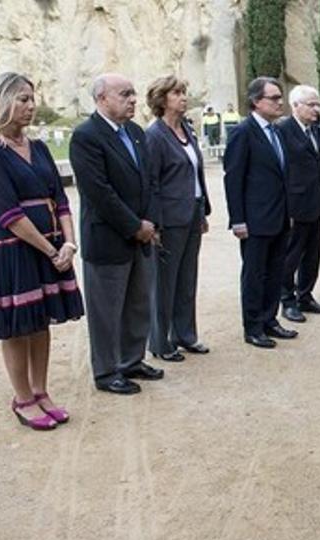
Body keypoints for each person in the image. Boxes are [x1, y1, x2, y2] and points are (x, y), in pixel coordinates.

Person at [0, 72, 84, 429]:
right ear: (1, 101)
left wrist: (68, 242)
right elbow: (8, 213)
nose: (30, 106)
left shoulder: (40, 147)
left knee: (40, 322)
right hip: (13, 249)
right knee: (17, 326)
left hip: (50, 245)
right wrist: (51, 250)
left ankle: (41, 391)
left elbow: (61, 199)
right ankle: (22, 398)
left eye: (32, 98)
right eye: (21, 99)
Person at [70, 72, 162, 394]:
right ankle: (108, 371)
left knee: (138, 303)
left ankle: (132, 360)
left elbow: (150, 181)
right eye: (125, 94)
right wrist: (135, 226)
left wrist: (149, 223)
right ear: (101, 99)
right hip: (109, 238)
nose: (133, 100)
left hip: (142, 235)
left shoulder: (136, 133)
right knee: (107, 310)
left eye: (133, 94)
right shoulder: (86, 136)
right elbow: (99, 192)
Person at [223, 76, 296, 349]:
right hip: (254, 220)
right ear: (256, 101)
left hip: (278, 217)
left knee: (275, 271)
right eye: (274, 98)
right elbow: (233, 179)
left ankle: (269, 319)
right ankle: (253, 326)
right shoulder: (243, 132)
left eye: (280, 97)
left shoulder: (277, 131)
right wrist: (238, 219)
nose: (280, 103)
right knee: (254, 274)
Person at [144, 75, 212, 362]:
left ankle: (185, 335)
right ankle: (161, 342)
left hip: (191, 212)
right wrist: (155, 223)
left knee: (187, 279)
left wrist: (203, 209)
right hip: (168, 218)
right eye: (176, 93)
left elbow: (195, 172)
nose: (183, 97)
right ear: (162, 99)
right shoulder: (155, 135)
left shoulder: (187, 129)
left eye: (184, 92)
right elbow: (152, 183)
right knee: (164, 283)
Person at [278, 84, 320, 323]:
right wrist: (285, 207)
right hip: (295, 205)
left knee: (312, 254)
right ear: (295, 106)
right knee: (290, 256)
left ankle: (305, 296)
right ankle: (287, 301)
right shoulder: (283, 130)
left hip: (316, 203)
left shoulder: (314, 130)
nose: (316, 109)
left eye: (318, 104)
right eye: (311, 104)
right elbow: (281, 172)